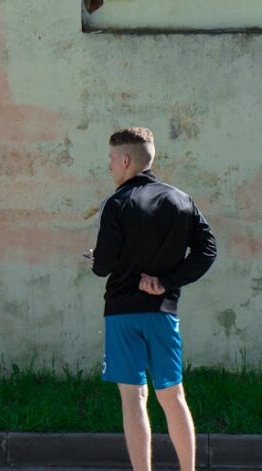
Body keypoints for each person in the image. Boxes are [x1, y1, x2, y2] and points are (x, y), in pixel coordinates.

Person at [91, 127, 216, 471]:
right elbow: (207, 250)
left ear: (127, 160)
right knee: (173, 396)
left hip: (121, 314)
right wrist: (165, 282)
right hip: (163, 312)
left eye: (112, 160)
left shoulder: (117, 203)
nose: (110, 166)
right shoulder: (181, 200)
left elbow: (103, 266)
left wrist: (97, 259)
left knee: (134, 399)